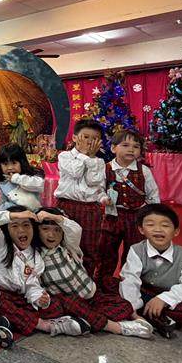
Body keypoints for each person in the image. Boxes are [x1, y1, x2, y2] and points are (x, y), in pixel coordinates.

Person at [0, 206, 152, 339]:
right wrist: (15, 215)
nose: (21, 231)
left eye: (26, 225)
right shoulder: (0, 244)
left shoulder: (52, 252)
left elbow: (32, 284)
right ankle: (54, 325)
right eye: (15, 226)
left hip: (86, 296)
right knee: (3, 303)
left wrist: (39, 297)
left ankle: (94, 318)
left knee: (120, 303)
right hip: (4, 296)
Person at [119, 203, 182, 338]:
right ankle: (155, 317)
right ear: (141, 229)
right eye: (150, 225)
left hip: (167, 299)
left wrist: (163, 299)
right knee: (109, 283)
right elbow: (130, 280)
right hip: (143, 294)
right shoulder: (136, 250)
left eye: (165, 225)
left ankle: (154, 315)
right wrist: (133, 309)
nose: (158, 230)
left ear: (176, 231)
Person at [98, 129, 160, 290]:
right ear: (113, 148)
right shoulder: (105, 169)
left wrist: (153, 216)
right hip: (112, 216)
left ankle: (129, 282)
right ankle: (103, 282)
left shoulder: (143, 170)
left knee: (133, 251)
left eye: (136, 146)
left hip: (136, 217)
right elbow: (98, 190)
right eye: (125, 145)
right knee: (106, 250)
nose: (131, 149)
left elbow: (153, 194)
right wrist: (103, 198)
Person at [54, 119, 108, 284]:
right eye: (85, 137)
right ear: (75, 137)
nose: (89, 142)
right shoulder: (64, 156)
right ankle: (63, 280)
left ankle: (86, 282)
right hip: (66, 205)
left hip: (90, 208)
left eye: (94, 138)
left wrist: (90, 159)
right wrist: (84, 155)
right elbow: (75, 172)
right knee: (63, 244)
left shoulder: (99, 162)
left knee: (89, 246)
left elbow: (93, 181)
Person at [0, 143, 44, 211]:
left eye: (14, 163)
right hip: (13, 213)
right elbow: (2, 200)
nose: (10, 168)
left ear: (22, 162)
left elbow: (39, 185)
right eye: (5, 164)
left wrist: (16, 178)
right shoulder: (3, 183)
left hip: (32, 213)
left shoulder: (30, 177)